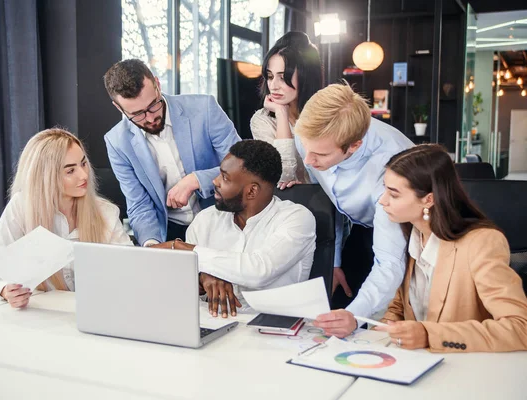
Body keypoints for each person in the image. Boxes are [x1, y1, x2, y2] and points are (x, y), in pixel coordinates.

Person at [373, 144, 527, 352]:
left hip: (465, 369)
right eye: (385, 189)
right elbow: (400, 307)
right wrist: (380, 330)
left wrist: (429, 335)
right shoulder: (412, 235)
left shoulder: (481, 243)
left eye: (394, 194)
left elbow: (520, 327)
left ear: (428, 199)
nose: (382, 201)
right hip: (412, 365)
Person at [294, 82, 413, 338]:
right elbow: (329, 199)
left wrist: (355, 315)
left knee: (371, 324)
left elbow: (390, 262)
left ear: (354, 146)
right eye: (306, 148)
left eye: (320, 155)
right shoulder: (312, 135)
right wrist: (334, 260)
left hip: (409, 232)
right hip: (354, 226)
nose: (308, 161)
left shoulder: (391, 169)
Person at [153, 140, 316, 318]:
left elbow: (259, 271)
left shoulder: (296, 219)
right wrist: (202, 277)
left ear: (252, 191)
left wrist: (186, 250)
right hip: (212, 324)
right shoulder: (205, 220)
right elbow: (181, 283)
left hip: (274, 328)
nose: (214, 181)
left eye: (224, 177)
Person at [0, 129, 133, 308]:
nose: (84, 175)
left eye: (83, 164)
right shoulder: (21, 206)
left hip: (95, 311)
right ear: (46, 176)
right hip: (40, 315)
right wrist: (6, 290)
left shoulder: (105, 212)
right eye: (70, 171)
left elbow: (129, 268)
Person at [104, 59, 241, 246]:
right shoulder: (116, 142)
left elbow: (242, 165)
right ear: (118, 107)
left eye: (153, 105)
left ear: (157, 85)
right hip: (169, 231)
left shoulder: (204, 109)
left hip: (223, 219)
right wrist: (152, 245)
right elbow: (139, 204)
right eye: (137, 114)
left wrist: (196, 180)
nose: (151, 117)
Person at [250, 31, 322, 188]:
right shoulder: (262, 121)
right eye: (270, 76)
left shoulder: (324, 113)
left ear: (305, 77)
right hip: (291, 203)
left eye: (282, 77)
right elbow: (282, 175)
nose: (273, 86)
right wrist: (281, 114)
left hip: (333, 199)